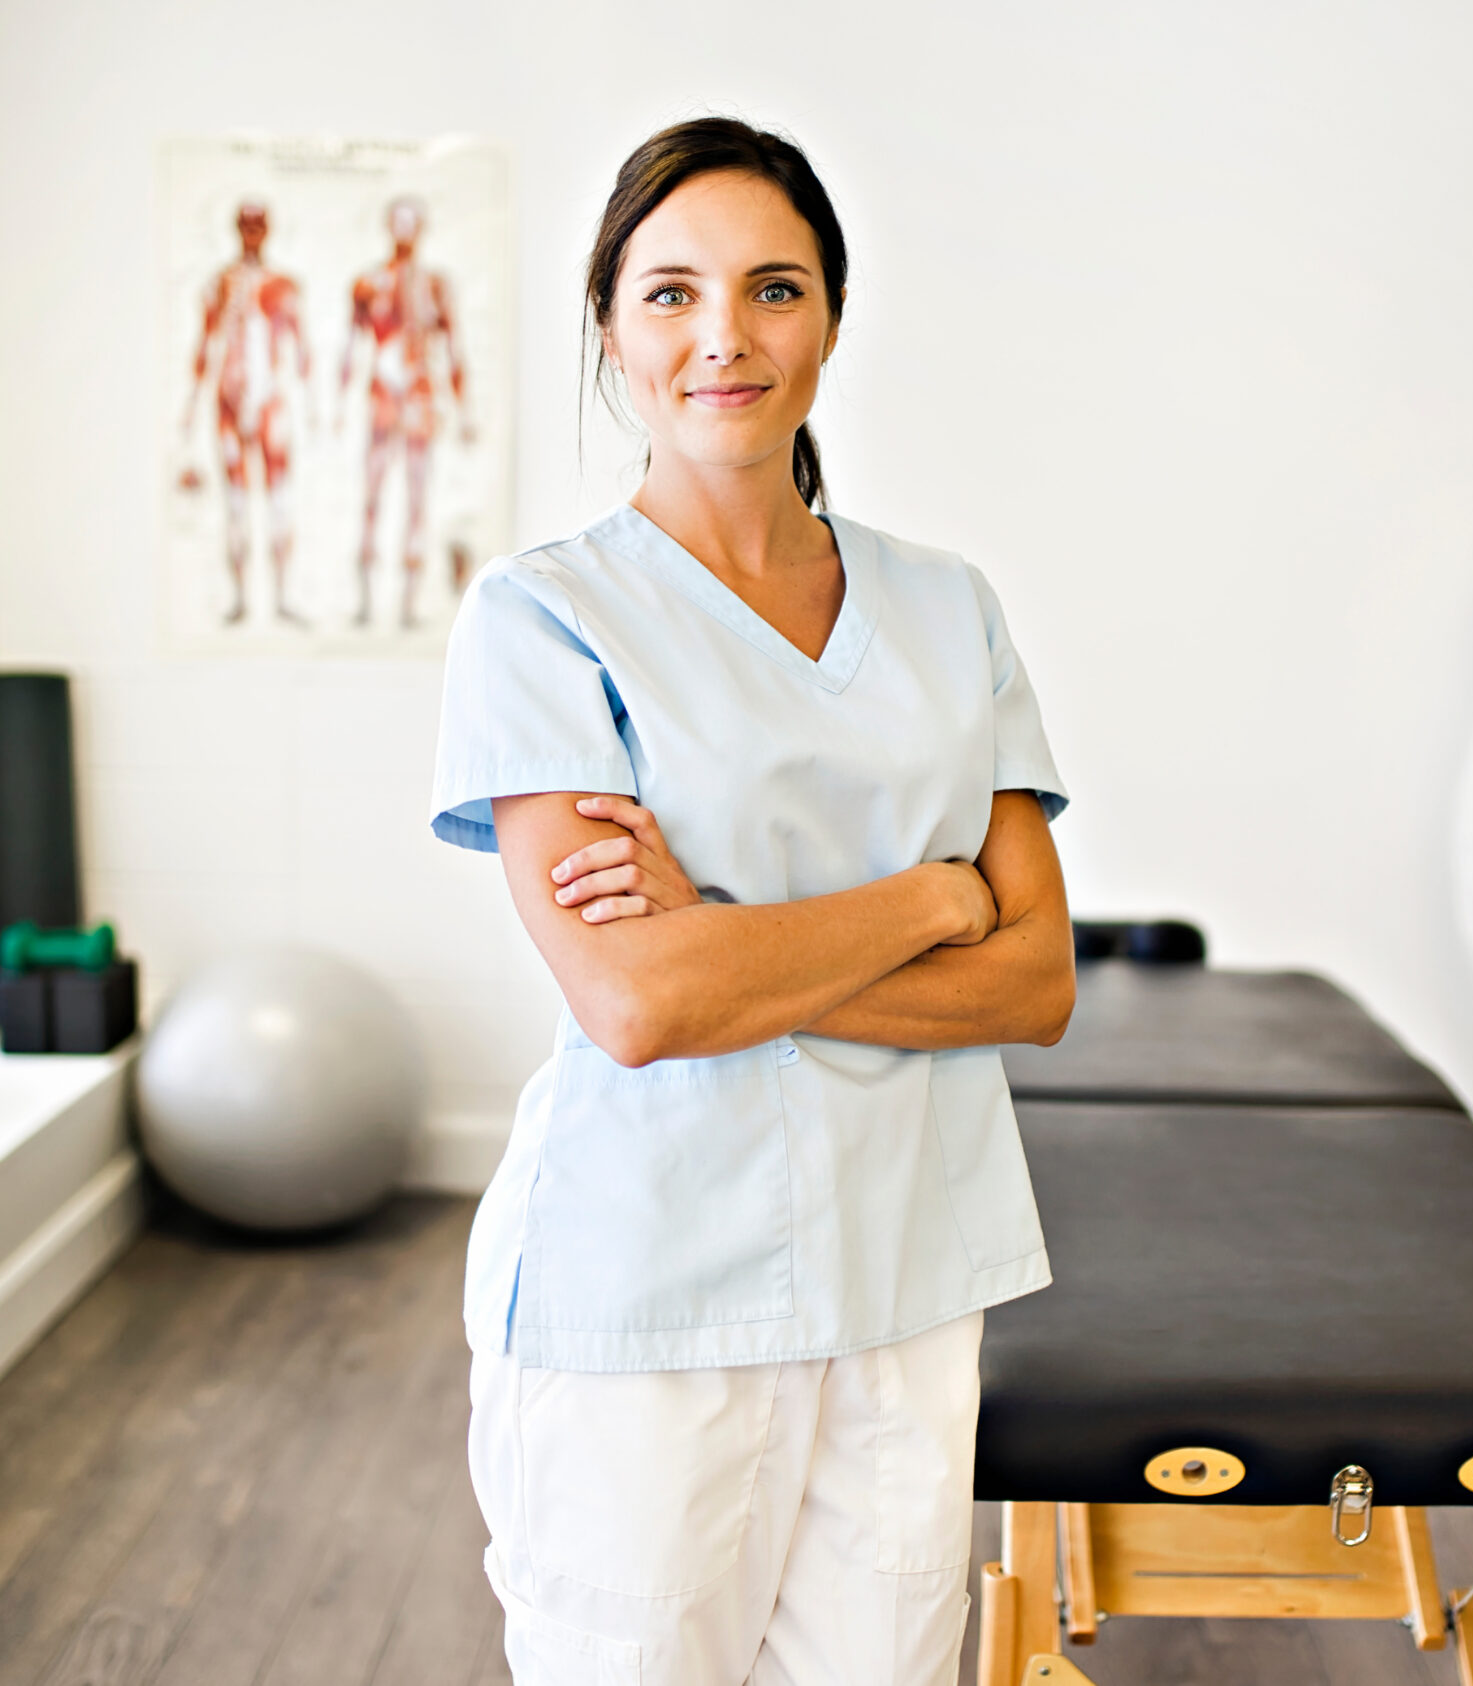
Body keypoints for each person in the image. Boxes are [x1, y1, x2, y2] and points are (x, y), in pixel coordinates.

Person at [429, 118, 1073, 1686]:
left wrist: (728, 931)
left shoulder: (944, 605)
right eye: (669, 294)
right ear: (610, 331)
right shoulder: (543, 617)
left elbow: (1038, 979)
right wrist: (931, 897)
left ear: (831, 320)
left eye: (773, 288)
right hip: (647, 1291)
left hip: (911, 1281)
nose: (724, 336)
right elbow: (641, 1005)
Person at [336, 194, 474, 629]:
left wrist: (464, 410)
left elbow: (453, 350)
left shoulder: (435, 285)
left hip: (418, 399)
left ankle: (408, 605)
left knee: (416, 498)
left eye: (411, 224)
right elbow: (350, 345)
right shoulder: (367, 282)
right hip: (382, 398)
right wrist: (339, 404)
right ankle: (365, 602)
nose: (404, 232)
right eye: (398, 223)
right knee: (372, 497)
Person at [182, 200, 309, 626]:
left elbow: (301, 347)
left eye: (259, 227)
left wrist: (311, 408)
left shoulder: (283, 286)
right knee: (235, 503)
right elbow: (204, 345)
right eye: (246, 226)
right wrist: (190, 407)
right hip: (228, 404)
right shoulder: (220, 283)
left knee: (279, 501)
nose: (252, 234)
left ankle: (283, 596)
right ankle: (239, 597)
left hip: (270, 403)